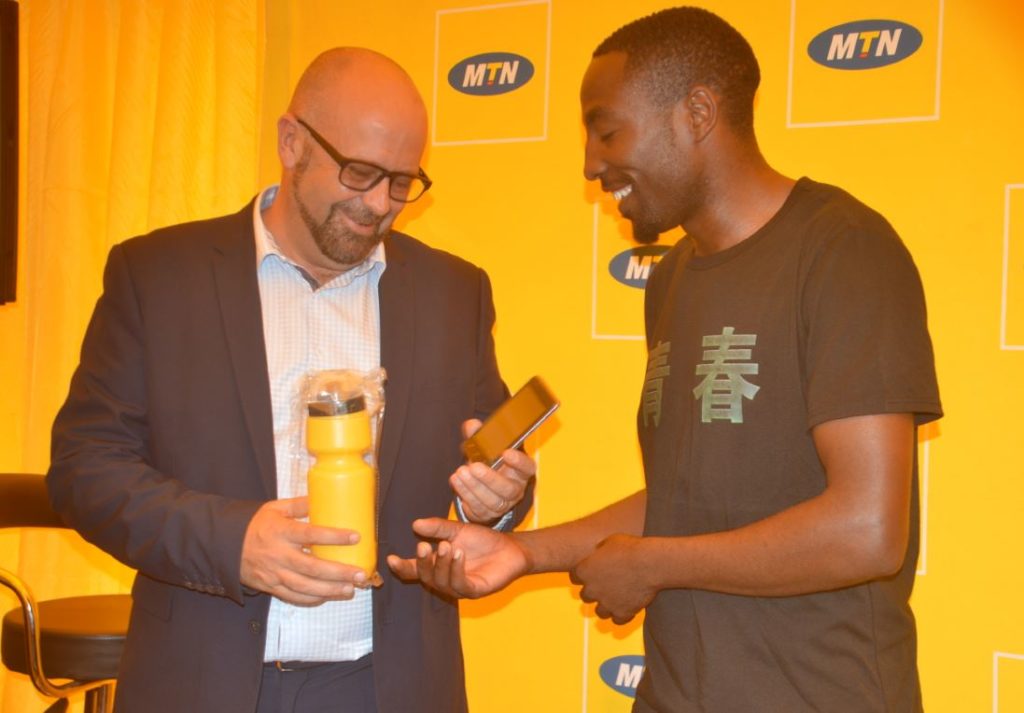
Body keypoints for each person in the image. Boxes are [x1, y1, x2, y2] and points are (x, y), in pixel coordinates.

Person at [388, 7, 941, 712]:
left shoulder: (844, 252)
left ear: (698, 113)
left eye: (607, 130)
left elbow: (866, 529)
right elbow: (683, 500)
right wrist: (524, 553)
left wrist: (653, 564)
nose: (590, 164)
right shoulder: (672, 278)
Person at [46, 47, 535, 713]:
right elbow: (85, 471)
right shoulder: (158, 276)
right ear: (291, 142)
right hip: (202, 683)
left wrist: (495, 498)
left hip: (388, 688)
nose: (378, 204)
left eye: (401, 182)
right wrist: (233, 542)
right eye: (359, 173)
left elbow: (491, 462)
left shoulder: (453, 292)